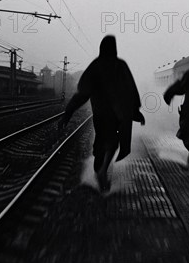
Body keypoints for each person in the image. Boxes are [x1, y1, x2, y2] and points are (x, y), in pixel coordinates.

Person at [59, 35, 145, 190]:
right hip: (118, 115)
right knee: (114, 142)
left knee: (101, 142)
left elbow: (82, 94)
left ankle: (100, 170)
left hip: (100, 114)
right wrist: (136, 111)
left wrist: (68, 113)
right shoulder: (121, 65)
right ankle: (103, 170)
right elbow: (131, 90)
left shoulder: (95, 66)